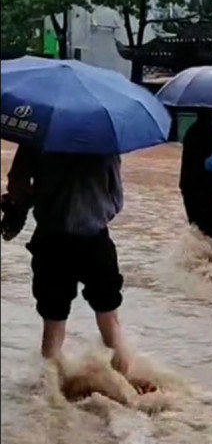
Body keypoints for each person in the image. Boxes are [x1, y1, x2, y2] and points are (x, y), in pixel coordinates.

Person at [1, 145, 135, 378]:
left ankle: (51, 398)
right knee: (110, 322)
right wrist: (94, 211)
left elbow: (17, 186)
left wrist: (37, 197)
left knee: (53, 327)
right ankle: (126, 388)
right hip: (95, 241)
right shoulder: (105, 142)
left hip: (52, 242)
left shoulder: (39, 135)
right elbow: (116, 200)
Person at [179, 109, 212, 240]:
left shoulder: (192, 131)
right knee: (209, 226)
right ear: (210, 113)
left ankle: (200, 257)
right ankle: (208, 257)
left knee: (198, 228)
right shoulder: (209, 132)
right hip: (203, 189)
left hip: (190, 188)